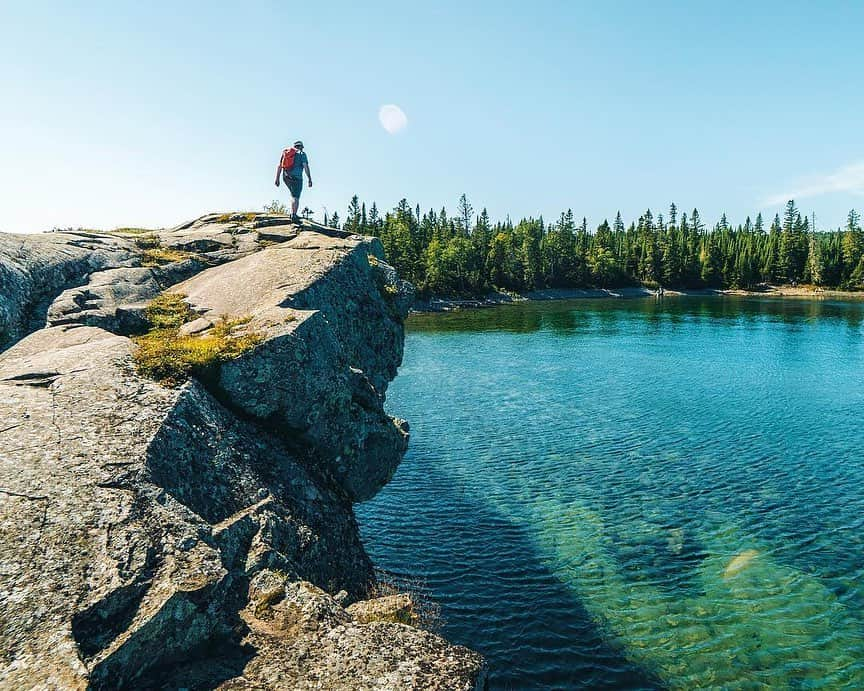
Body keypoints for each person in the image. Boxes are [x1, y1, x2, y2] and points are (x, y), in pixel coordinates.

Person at [276, 140, 312, 221]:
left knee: (293, 194)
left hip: (286, 177)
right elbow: (305, 166)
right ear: (301, 147)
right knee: (295, 196)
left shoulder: (286, 153)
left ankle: (293, 212)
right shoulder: (302, 154)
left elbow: (280, 166)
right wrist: (309, 179)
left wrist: (277, 178)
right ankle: (294, 214)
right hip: (297, 178)